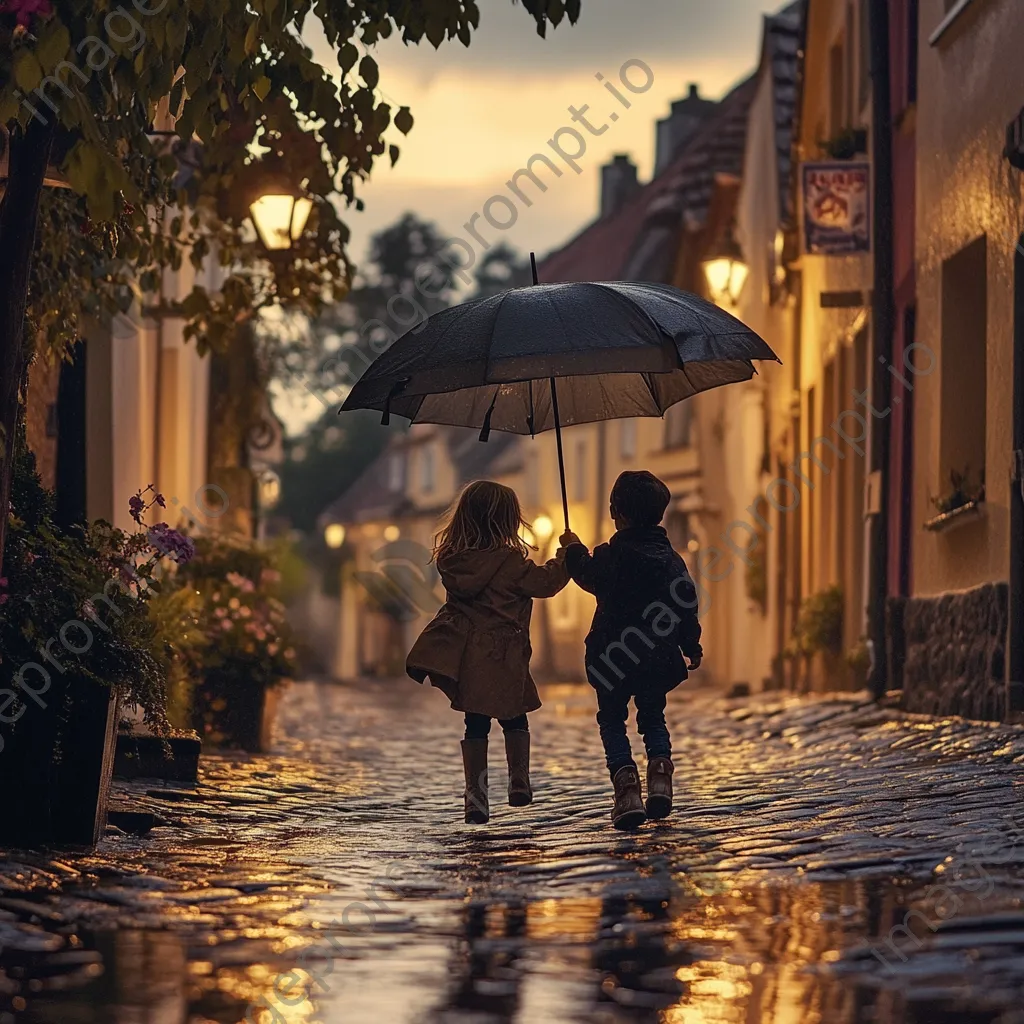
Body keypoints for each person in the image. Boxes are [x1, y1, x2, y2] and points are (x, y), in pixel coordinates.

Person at [407, 480, 572, 824]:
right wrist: (565, 556)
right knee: (515, 717)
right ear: (507, 521)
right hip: (506, 654)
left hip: (472, 659)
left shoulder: (453, 562)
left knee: (475, 724)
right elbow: (546, 584)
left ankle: (476, 796)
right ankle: (518, 780)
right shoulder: (511, 563)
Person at [561, 470, 702, 830]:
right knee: (653, 716)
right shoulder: (672, 560)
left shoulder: (613, 556)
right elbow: (686, 602)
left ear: (617, 513)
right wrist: (691, 643)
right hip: (657, 657)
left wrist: (573, 548)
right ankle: (659, 777)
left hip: (614, 658)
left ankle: (626, 790)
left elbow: (587, 575)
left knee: (612, 719)